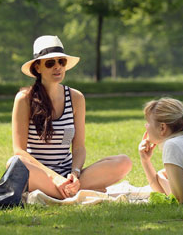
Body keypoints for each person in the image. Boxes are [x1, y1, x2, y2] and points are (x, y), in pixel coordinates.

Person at [11, 35, 132, 199]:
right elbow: (19, 151)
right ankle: (71, 192)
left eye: (61, 62)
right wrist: (53, 177)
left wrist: (75, 173)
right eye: (50, 63)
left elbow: (79, 148)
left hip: (69, 174)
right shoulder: (24, 98)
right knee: (14, 163)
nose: (57, 67)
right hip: (39, 173)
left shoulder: (76, 97)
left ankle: (65, 191)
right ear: (38, 68)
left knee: (124, 162)